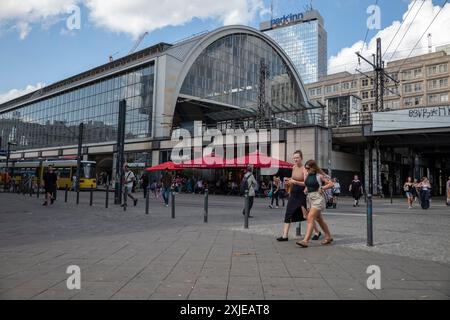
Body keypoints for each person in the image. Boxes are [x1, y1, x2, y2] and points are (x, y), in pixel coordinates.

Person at [277, 150, 321, 242]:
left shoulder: (305, 169)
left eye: (297, 157)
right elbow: (293, 178)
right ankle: (285, 236)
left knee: (307, 216)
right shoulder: (293, 167)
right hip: (293, 193)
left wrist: (295, 182)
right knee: (288, 213)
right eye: (294, 158)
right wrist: (289, 180)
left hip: (302, 194)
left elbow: (306, 183)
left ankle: (317, 232)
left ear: (301, 158)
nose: (295, 159)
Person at [296, 160, 334, 248]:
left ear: (313, 168)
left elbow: (331, 184)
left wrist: (322, 187)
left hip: (317, 198)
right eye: (305, 168)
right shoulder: (308, 175)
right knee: (319, 220)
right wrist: (296, 182)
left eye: (308, 168)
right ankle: (328, 237)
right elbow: (306, 184)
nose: (306, 170)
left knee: (310, 217)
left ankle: (305, 241)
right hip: (310, 199)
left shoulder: (319, 176)